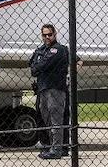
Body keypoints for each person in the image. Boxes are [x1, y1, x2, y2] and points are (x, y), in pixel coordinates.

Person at [29, 23, 69, 160]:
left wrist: (39, 65)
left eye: (50, 34)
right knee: (46, 118)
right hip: (43, 88)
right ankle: (55, 146)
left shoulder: (58, 49)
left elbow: (43, 64)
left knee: (56, 119)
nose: (47, 37)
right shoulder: (41, 50)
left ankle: (57, 149)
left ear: (55, 34)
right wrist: (39, 65)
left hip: (55, 87)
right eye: (44, 35)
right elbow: (32, 66)